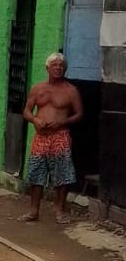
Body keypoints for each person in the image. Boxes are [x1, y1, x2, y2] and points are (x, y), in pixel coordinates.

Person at [22, 52, 83, 222]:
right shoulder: (38, 89)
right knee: (36, 174)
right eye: (54, 65)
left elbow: (79, 114)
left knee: (62, 175)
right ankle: (33, 211)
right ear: (47, 68)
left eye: (61, 66)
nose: (58, 68)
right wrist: (35, 120)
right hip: (41, 137)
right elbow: (26, 111)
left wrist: (64, 120)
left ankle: (59, 212)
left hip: (60, 136)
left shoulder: (71, 91)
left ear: (64, 69)